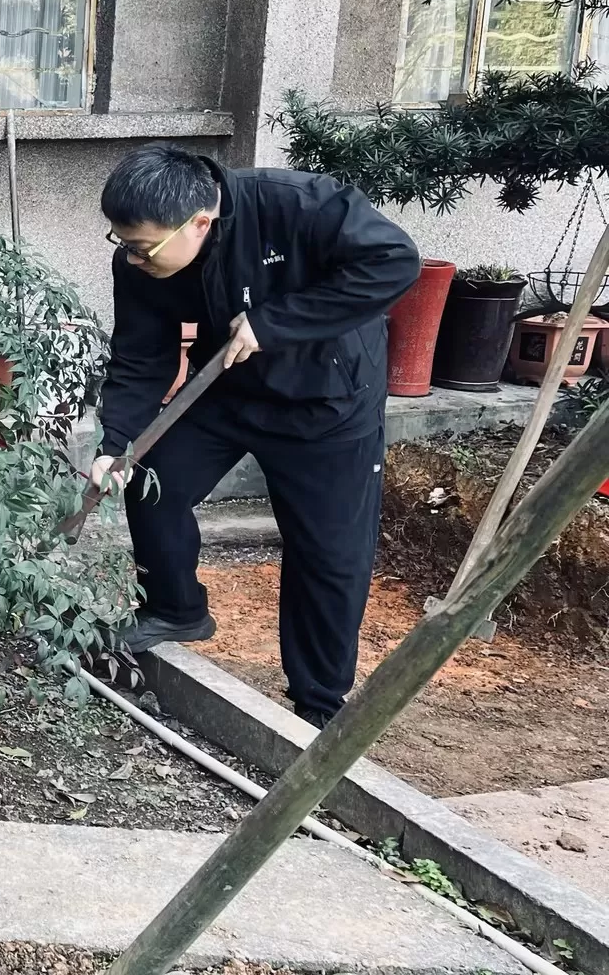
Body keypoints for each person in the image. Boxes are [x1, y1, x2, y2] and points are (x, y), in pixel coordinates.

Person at [89, 143, 420, 729]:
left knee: (327, 552)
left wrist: (277, 322)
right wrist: (117, 442)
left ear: (199, 222)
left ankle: (318, 703)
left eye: (142, 248)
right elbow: (141, 356)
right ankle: (177, 608)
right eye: (123, 244)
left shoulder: (300, 206)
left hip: (329, 400)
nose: (132, 259)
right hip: (230, 390)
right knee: (150, 483)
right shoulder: (143, 264)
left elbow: (395, 261)